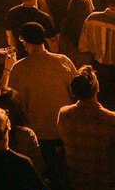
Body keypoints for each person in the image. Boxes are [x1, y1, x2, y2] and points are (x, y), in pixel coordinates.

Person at [7, 20, 75, 152]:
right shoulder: (63, 61)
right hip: (63, 130)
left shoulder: (18, 68)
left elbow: (13, 102)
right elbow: (75, 91)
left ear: (26, 42)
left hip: (36, 133)